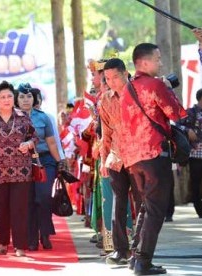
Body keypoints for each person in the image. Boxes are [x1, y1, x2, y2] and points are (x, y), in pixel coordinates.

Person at [120, 43, 186, 275]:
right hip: (155, 153)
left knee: (146, 208)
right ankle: (143, 262)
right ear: (144, 62)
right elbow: (177, 113)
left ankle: (135, 257)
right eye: (157, 58)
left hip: (132, 157)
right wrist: (168, 87)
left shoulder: (127, 88)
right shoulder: (156, 84)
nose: (160, 63)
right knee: (156, 210)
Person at [0, 80, 37, 257]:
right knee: (0, 209)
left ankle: (20, 246)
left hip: (21, 171)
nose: (6, 100)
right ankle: (3, 242)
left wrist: (28, 143)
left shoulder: (23, 117)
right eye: (2, 97)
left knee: (19, 209)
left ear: (14, 98)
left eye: (10, 96)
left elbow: (35, 138)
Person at [100, 58, 142, 265]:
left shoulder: (139, 93)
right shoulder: (105, 100)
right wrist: (102, 160)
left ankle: (141, 249)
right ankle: (120, 250)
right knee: (118, 204)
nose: (111, 82)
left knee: (142, 203)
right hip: (116, 158)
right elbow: (106, 133)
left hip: (140, 157)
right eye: (107, 79)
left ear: (126, 73)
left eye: (115, 77)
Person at [16, 83, 67, 251]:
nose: (26, 100)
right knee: (28, 200)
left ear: (34, 99)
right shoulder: (12, 117)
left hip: (45, 161)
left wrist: (60, 161)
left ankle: (45, 233)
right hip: (22, 163)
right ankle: (31, 238)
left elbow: (52, 142)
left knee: (43, 196)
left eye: (29, 96)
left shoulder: (43, 117)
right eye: (22, 96)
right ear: (17, 99)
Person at [177, 88, 202, 218]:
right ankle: (199, 209)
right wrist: (188, 131)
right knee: (195, 183)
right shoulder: (190, 112)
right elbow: (178, 125)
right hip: (195, 154)